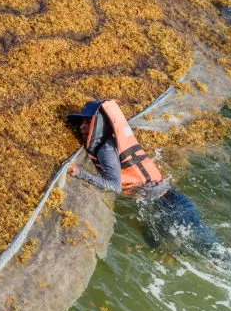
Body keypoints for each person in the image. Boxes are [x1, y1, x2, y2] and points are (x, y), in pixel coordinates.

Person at [66, 99, 219, 253]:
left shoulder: (105, 150)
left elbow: (114, 186)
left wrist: (79, 173)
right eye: (81, 122)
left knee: (206, 249)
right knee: (181, 249)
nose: (82, 127)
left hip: (165, 206)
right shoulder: (111, 141)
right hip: (171, 200)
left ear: (99, 124)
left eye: (88, 122)